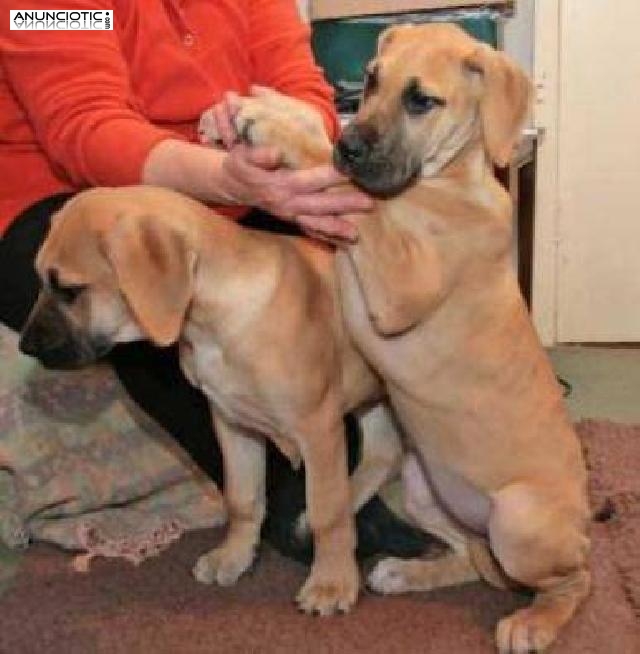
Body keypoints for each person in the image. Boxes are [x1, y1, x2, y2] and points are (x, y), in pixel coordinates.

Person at [0, 0, 431, 561]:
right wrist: (229, 181)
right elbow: (88, 127)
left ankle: (435, 429)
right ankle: (294, 497)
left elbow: (303, 91)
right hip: (66, 199)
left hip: (230, 182)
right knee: (148, 292)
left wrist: (274, 140)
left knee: (375, 233)